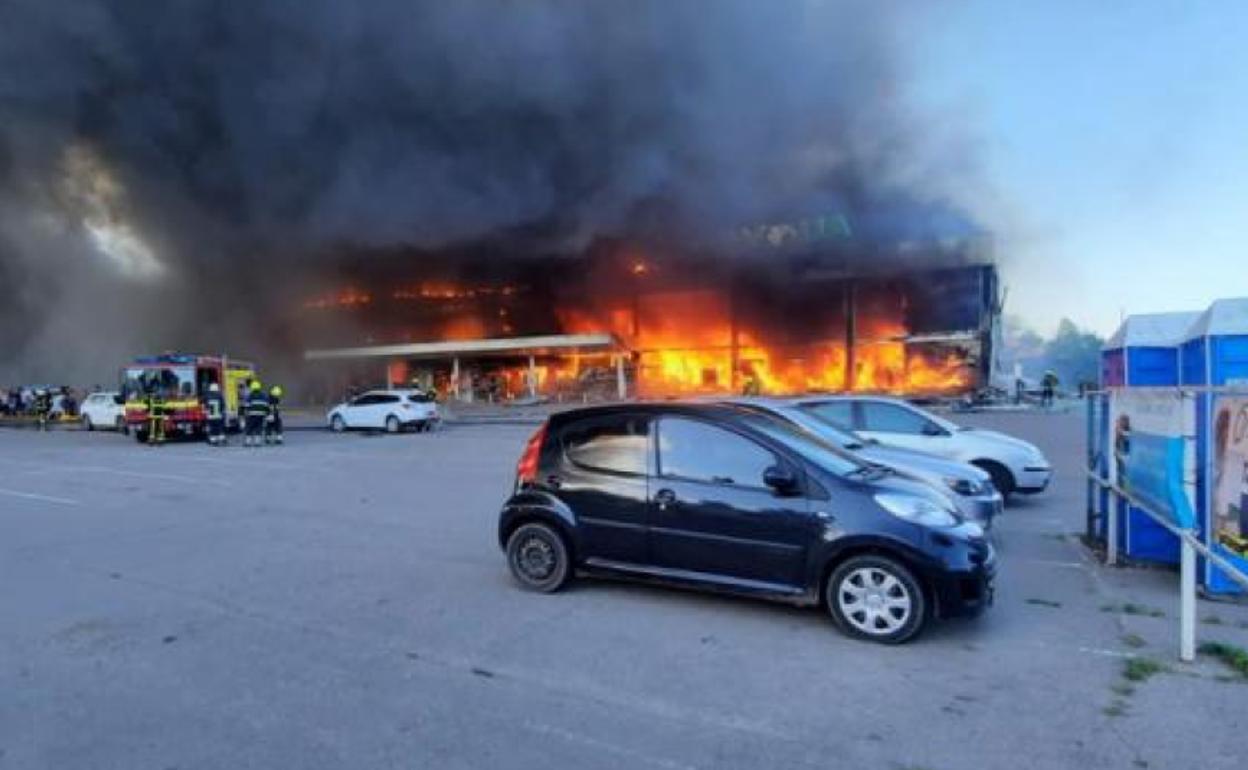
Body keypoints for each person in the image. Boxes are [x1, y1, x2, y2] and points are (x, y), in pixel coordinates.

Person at [243, 380, 270, 447]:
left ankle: (248, 442)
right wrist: (267, 414)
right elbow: (267, 406)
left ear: (252, 387)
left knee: (249, 428)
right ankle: (257, 442)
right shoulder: (264, 395)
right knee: (259, 428)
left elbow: (247, 406)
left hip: (251, 415)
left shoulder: (250, 395)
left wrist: (245, 414)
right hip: (261, 415)